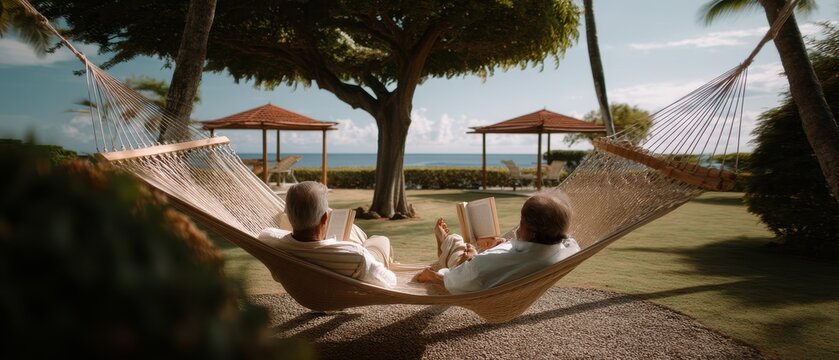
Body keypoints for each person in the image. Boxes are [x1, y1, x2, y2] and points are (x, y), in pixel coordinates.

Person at [416, 191, 581, 294]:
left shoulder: (482, 264)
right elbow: (563, 242)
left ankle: (445, 245)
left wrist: (471, 258)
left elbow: (453, 281)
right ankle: (446, 248)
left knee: (457, 240)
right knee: (464, 244)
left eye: (521, 221)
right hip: (498, 268)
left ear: (530, 232)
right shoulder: (569, 250)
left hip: (463, 273)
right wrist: (504, 244)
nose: (519, 224)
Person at [258, 181, 397, 288]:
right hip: (366, 257)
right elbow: (390, 281)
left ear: (288, 216)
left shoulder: (267, 239)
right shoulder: (357, 256)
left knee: (357, 234)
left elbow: (274, 233)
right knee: (379, 240)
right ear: (326, 218)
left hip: (311, 283)